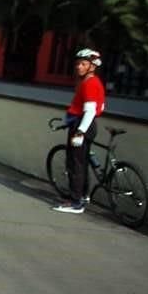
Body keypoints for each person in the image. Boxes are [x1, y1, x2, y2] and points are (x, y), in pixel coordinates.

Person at [53, 49, 106, 214]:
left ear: (92, 66)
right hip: (84, 124)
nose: (78, 67)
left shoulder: (89, 83)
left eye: (83, 64)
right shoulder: (95, 82)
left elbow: (90, 110)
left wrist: (80, 131)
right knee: (81, 163)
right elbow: (102, 107)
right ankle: (83, 196)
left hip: (82, 126)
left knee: (75, 164)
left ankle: (76, 202)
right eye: (77, 63)